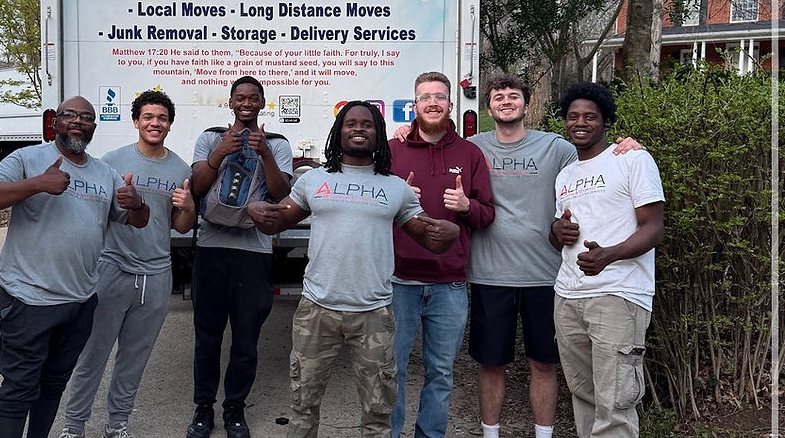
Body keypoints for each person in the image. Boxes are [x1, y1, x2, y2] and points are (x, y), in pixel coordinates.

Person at [394, 75, 639, 438]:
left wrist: (627, 145)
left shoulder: (554, 147)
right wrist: (406, 132)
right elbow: (427, 143)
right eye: (497, 97)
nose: (505, 101)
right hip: (489, 275)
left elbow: (592, 160)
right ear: (487, 107)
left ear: (527, 103)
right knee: (489, 363)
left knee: (544, 362)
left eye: (513, 96)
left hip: (546, 275)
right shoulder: (471, 146)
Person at [247, 101, 462, 438]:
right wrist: (260, 212)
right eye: (351, 124)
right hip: (317, 310)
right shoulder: (314, 180)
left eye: (367, 124)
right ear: (339, 132)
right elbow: (278, 221)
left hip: (373, 313)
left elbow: (429, 238)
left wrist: (450, 233)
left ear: (378, 133)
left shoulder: (396, 188)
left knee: (378, 416)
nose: (359, 129)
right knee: (303, 408)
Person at [0, 96, 149, 438]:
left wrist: (138, 203)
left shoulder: (104, 172)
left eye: (86, 117)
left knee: (53, 384)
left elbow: (137, 221)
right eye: (70, 115)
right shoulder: (28, 158)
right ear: (55, 122)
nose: (78, 121)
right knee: (17, 389)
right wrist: (37, 184)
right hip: (28, 298)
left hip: (80, 300)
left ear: (94, 128)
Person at [58, 91, 196, 438]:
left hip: (157, 274)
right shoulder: (112, 162)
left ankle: (117, 425)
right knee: (94, 353)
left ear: (169, 124)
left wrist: (189, 207)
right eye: (148, 117)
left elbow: (180, 226)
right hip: (113, 269)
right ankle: (74, 426)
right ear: (136, 121)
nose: (155, 123)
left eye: (162, 118)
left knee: (134, 358)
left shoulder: (180, 168)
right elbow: (93, 213)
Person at [548, 82, 664, 438]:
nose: (580, 123)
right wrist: (557, 231)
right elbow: (559, 235)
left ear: (606, 121)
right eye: (573, 117)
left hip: (618, 294)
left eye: (590, 117)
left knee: (615, 404)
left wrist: (609, 256)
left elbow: (654, 228)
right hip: (568, 296)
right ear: (564, 122)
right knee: (584, 397)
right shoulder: (566, 175)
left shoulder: (631, 159)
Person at [388, 72, 494, 438]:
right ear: (413, 106)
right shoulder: (392, 150)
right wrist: (395, 200)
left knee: (441, 374)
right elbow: (370, 210)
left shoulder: (470, 153)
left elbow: (487, 214)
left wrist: (466, 206)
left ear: (451, 104)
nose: (432, 102)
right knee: (392, 371)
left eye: (439, 96)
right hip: (397, 282)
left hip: (449, 284)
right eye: (424, 97)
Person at [186, 76, 293, 438]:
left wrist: (263, 153)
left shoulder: (276, 144)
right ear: (230, 103)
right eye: (240, 98)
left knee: (246, 339)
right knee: (207, 337)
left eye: (253, 98)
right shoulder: (211, 138)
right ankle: (203, 408)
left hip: (254, 251)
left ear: (263, 103)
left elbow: (280, 195)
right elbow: (198, 187)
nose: (246, 103)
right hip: (212, 248)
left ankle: (234, 408)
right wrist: (220, 153)